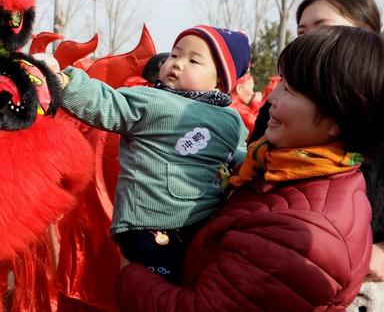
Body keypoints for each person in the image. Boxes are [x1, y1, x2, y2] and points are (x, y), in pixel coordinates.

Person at [116, 25, 384, 311]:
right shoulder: (281, 170)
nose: (271, 98)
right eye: (281, 82)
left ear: (338, 120)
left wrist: (128, 272)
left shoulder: (303, 230)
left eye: (290, 90)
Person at [54, 25, 251, 283]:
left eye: (193, 60)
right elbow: (109, 104)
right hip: (151, 226)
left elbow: (239, 156)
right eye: (175, 54)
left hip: (203, 224)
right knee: (151, 292)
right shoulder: (153, 100)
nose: (177, 64)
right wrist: (67, 83)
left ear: (220, 81)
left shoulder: (232, 119)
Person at [246, 0, 384, 284]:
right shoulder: (276, 109)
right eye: (302, 32)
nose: (309, 41)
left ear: (366, 36)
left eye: (323, 28)